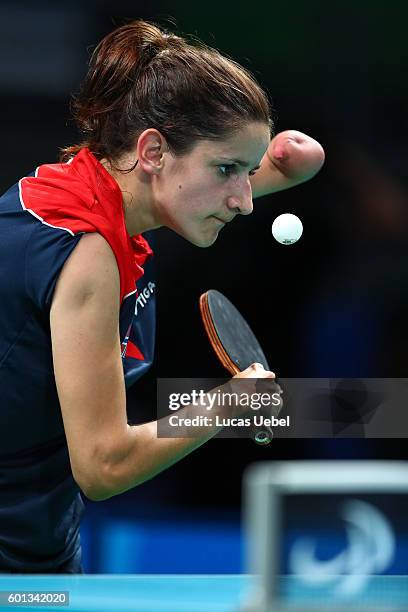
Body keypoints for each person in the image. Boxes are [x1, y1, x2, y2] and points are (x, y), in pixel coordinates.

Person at [0, 20, 324, 573]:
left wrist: (288, 163)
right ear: (152, 150)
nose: (245, 200)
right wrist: (226, 403)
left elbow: (212, 181)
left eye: (248, 172)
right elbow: (103, 466)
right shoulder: (86, 256)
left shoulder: (77, 188)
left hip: (33, 540)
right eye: (229, 170)